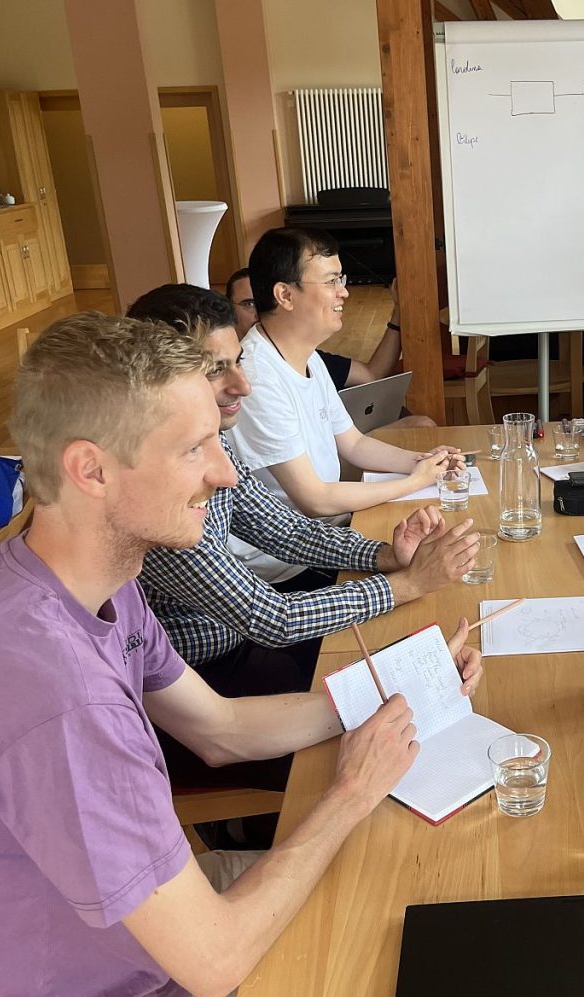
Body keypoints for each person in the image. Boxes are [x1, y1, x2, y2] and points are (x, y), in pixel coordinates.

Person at [0, 311, 483, 997]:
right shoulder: (59, 693)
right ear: (90, 470)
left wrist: (393, 692)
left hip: (163, 940)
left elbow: (221, 728)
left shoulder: (94, 584)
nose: (225, 474)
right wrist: (350, 791)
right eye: (195, 448)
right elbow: (215, 958)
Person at [127, 285, 477, 726]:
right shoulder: (154, 490)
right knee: (400, 699)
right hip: (201, 678)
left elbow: (286, 530)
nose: (243, 385)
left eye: (238, 361)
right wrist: (409, 583)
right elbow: (271, 618)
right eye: (216, 370)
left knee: (415, 662)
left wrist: (385, 556)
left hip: (245, 638)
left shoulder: (209, 442)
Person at [228, 229, 462, 582]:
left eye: (342, 279)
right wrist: (414, 481)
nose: (344, 292)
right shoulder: (257, 377)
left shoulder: (306, 355)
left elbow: (353, 443)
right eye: (332, 281)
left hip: (324, 536)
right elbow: (315, 500)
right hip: (286, 566)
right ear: (285, 295)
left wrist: (427, 463)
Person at [227, 266, 429, 428]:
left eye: (263, 302)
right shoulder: (250, 371)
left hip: (338, 445)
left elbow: (372, 374)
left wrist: (398, 313)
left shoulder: (308, 356)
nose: (260, 311)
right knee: (420, 425)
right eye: (249, 304)